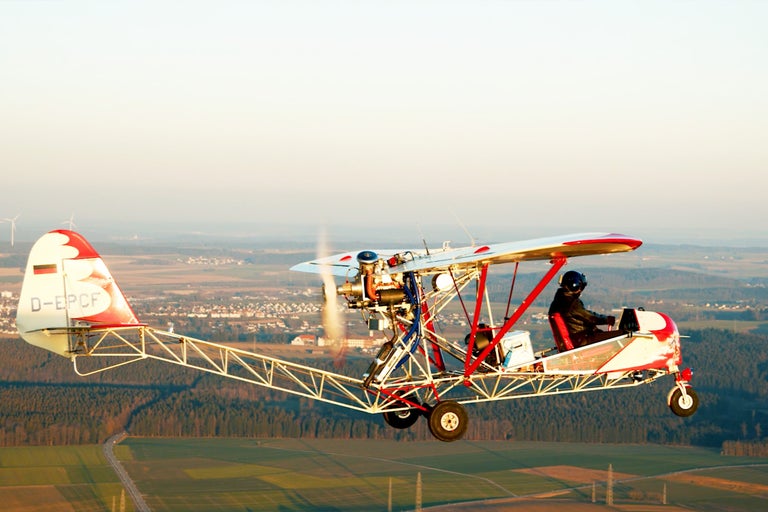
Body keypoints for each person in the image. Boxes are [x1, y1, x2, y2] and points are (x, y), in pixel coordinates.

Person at [548, 270, 617, 349]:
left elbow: (583, 314)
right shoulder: (571, 303)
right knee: (625, 334)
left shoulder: (559, 300)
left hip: (577, 339)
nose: (581, 290)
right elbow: (590, 317)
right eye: (581, 287)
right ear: (575, 286)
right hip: (583, 339)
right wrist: (606, 319)